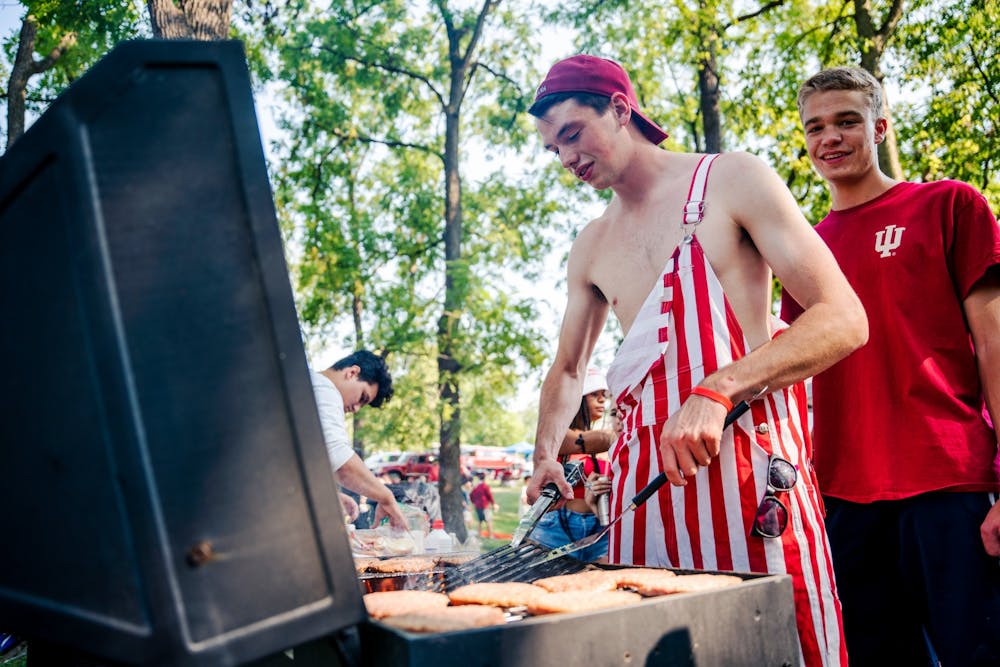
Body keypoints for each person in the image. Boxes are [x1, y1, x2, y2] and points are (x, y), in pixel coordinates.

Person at [525, 54, 867, 666]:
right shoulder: (591, 244)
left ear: (621, 109)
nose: (567, 159)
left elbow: (843, 318)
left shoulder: (731, 180)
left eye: (573, 134)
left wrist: (718, 389)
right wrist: (546, 455)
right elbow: (568, 368)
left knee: (787, 650)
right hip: (645, 497)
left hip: (752, 480)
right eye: (554, 150)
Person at [782, 66, 1000, 666]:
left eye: (847, 121)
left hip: (949, 479)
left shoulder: (950, 204)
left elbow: (994, 344)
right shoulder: (802, 254)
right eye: (815, 127)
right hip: (842, 499)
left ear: (878, 127)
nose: (830, 137)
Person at [311, 350, 406, 530]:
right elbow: (341, 463)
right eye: (362, 398)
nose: (355, 409)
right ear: (352, 372)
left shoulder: (309, 387)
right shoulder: (325, 389)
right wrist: (386, 497)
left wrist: (327, 497)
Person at [530, 367, 615, 562]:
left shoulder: (603, 442)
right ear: (577, 399)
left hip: (600, 524)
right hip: (557, 527)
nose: (603, 400)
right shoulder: (556, 436)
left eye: (605, 395)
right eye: (594, 394)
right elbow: (579, 441)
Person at [470, 473, 498, 538]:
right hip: (485, 506)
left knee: (480, 521)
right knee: (489, 520)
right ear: (484, 478)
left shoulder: (476, 487)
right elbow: (490, 496)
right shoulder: (485, 486)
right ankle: (491, 535)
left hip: (477, 506)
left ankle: (479, 534)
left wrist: (474, 502)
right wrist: (493, 504)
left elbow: (471, 495)